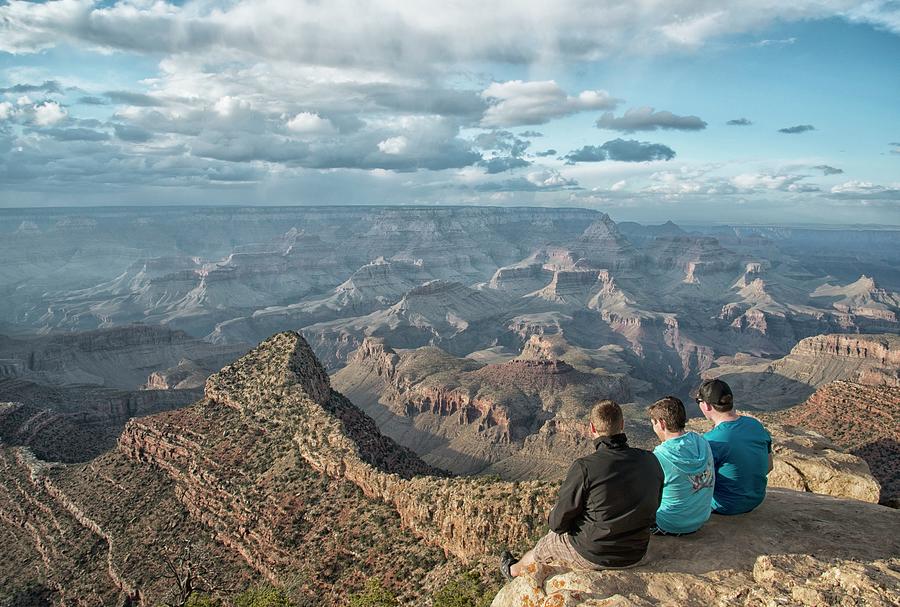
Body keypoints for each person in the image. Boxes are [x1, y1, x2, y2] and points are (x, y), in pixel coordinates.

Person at [500, 400, 663, 580]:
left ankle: (513, 570)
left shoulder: (585, 468)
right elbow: (655, 504)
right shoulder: (650, 460)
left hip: (595, 554)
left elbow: (557, 524)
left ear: (592, 428)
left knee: (544, 545)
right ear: (622, 425)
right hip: (637, 552)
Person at [696, 379, 773, 515]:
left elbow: (701, 483)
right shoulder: (755, 425)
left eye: (698, 402)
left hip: (724, 505)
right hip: (756, 499)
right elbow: (769, 466)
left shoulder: (711, 440)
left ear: (706, 406)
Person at [648, 396, 715, 536]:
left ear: (661, 423)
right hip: (701, 518)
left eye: (654, 424)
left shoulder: (659, 456)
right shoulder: (702, 442)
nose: (654, 428)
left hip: (670, 524)